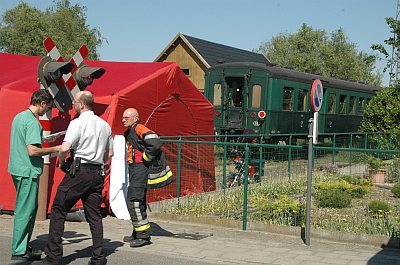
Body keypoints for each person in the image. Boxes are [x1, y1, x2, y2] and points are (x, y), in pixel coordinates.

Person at [35, 91, 113, 265]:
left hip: (79, 172)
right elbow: (110, 154)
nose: (72, 104)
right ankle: (98, 258)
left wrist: (61, 163)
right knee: (94, 216)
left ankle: (53, 257)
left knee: (58, 209)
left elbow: (65, 147)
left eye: (75, 101)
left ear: (82, 104)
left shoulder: (77, 123)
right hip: (97, 173)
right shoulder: (104, 125)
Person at [8, 89, 61, 261]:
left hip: (18, 168)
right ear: (42, 103)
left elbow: (25, 142)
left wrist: (45, 140)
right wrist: (56, 149)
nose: (47, 112)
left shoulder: (19, 117)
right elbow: (33, 151)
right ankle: (19, 249)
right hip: (28, 171)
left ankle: (21, 245)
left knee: (25, 208)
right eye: (48, 108)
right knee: (26, 211)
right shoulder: (33, 122)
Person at [121, 108, 173, 247]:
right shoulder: (132, 130)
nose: (123, 120)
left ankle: (143, 237)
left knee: (134, 201)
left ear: (135, 118)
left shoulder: (139, 128)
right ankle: (137, 233)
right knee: (138, 201)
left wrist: (146, 157)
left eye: (126, 117)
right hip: (135, 169)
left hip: (140, 169)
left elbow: (155, 142)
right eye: (123, 117)